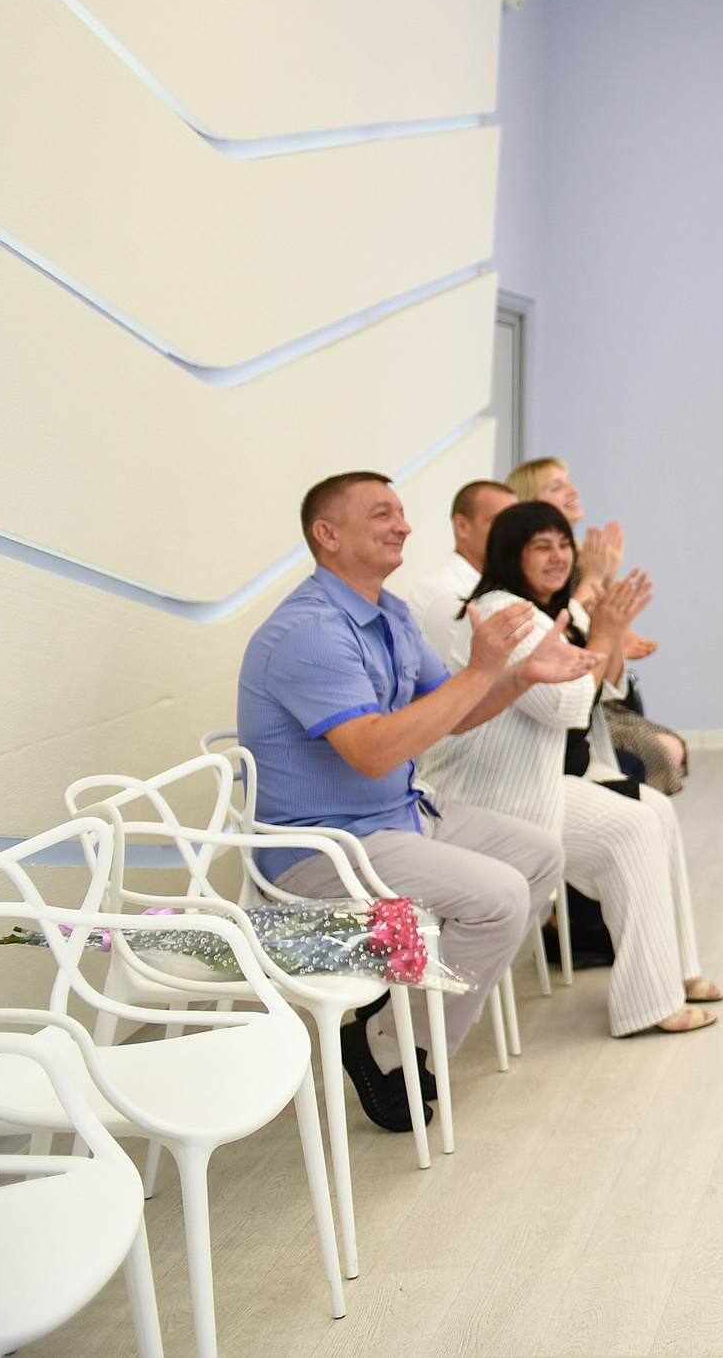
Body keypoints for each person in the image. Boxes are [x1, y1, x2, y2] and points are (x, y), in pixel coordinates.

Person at [238, 472, 582, 1131]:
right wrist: (486, 669)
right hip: (324, 847)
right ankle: (399, 1047)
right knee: (500, 896)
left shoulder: (387, 612)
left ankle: (396, 1024)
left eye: (401, 512)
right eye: (381, 514)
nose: (403, 525)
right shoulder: (311, 630)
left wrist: (514, 677)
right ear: (327, 534)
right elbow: (370, 750)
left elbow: (450, 711)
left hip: (397, 817)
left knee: (540, 856)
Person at [422, 501, 723, 1035]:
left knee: (656, 810)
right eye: (542, 546)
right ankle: (648, 1005)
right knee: (631, 828)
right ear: (511, 555)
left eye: (564, 544)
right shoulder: (501, 611)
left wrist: (608, 632)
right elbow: (561, 706)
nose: (559, 556)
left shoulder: (548, 608)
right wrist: (606, 635)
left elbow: (606, 688)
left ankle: (679, 972)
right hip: (495, 794)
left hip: (552, 780)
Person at [507, 455, 686, 788]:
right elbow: (569, 630)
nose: (572, 490)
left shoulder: (583, 555)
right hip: (571, 710)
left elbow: (599, 634)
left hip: (597, 697)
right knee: (661, 753)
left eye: (570, 480)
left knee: (671, 748)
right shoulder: (530, 582)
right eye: (556, 486)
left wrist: (609, 593)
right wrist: (598, 581)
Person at [402, 479, 516, 651]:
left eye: (514, 524)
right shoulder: (445, 596)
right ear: (462, 526)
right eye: (500, 522)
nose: (513, 534)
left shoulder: (507, 588)